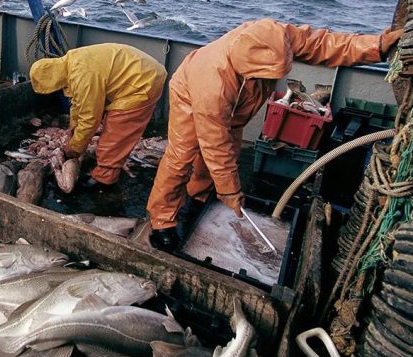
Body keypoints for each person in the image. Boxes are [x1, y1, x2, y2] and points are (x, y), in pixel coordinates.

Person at [147, 19, 403, 252]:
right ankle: (162, 220)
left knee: (226, 155)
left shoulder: (279, 36)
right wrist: (230, 191)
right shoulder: (212, 83)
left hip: (238, 105)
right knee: (182, 156)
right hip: (191, 96)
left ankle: (197, 197)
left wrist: (376, 46)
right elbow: (215, 144)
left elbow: (324, 44)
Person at [29, 43, 167, 189]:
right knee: (106, 127)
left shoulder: (83, 77)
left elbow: (90, 120)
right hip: (139, 71)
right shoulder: (71, 61)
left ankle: (104, 180)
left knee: (115, 134)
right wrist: (73, 128)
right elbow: (78, 103)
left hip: (143, 82)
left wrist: (74, 148)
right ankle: (104, 168)